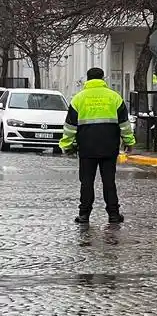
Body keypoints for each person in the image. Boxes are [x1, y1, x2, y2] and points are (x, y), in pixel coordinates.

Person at [60, 68, 135, 224]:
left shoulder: (78, 99)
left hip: (87, 148)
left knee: (86, 182)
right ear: (103, 79)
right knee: (109, 182)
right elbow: (125, 125)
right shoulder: (114, 97)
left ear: (88, 79)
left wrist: (67, 145)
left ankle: (84, 215)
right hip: (109, 147)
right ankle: (114, 214)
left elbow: (70, 127)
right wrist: (129, 142)